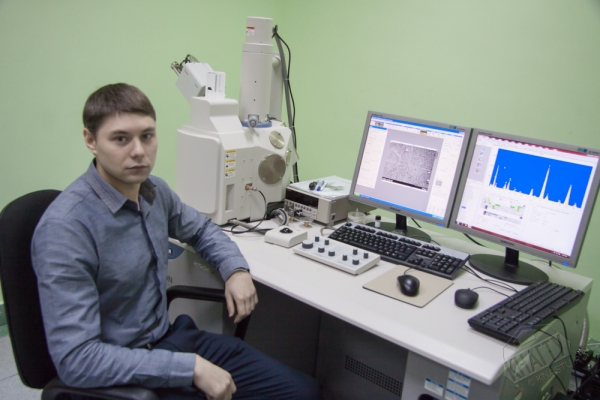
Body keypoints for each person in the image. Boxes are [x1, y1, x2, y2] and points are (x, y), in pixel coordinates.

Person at [32, 83, 322, 400]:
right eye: (120, 139)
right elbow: (78, 360)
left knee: (302, 392)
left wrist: (235, 269)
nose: (138, 151)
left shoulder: (154, 191)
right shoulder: (66, 229)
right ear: (91, 140)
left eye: (147, 136)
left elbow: (201, 229)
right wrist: (189, 368)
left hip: (169, 339)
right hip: (120, 368)